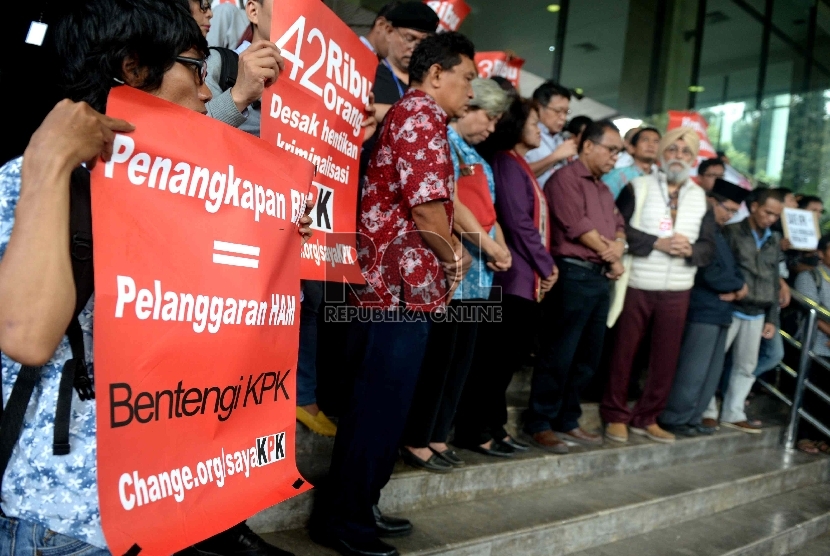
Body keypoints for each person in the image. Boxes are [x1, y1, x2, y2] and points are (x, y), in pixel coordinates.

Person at [0, 1, 307, 554]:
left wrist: (272, 238)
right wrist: (47, 161)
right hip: (67, 518)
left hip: (160, 501)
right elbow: (27, 336)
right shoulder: (37, 179)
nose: (209, 91)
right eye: (197, 68)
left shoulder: (177, 192)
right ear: (135, 68)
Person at [310, 32, 476, 556]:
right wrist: (453, 259)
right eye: (467, 77)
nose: (472, 90)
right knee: (376, 412)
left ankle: (359, 508)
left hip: (396, 291)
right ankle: (346, 523)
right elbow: (428, 210)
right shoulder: (422, 116)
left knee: (382, 410)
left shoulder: (416, 117)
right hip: (394, 294)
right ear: (435, 74)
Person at [401, 78, 511, 473]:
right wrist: (493, 246)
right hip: (454, 272)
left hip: (480, 279)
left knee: (460, 363)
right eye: (489, 116)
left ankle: (437, 434)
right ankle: (418, 437)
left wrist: (498, 248)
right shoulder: (444, 140)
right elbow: (453, 205)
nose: (491, 127)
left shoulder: (476, 154)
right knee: (439, 362)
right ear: (470, 105)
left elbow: (487, 210)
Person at [453, 98, 558, 457]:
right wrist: (547, 265)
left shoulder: (519, 164)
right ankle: (476, 430)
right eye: (533, 123)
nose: (539, 130)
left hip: (523, 278)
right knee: (493, 364)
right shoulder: (506, 163)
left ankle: (493, 427)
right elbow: (517, 222)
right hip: (510, 278)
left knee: (503, 364)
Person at [602, 127, 711, 444]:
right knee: (624, 353)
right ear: (663, 155)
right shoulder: (639, 186)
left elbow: (708, 246)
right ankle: (615, 415)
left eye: (685, 152)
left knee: (665, 358)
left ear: (693, 159)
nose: (678, 157)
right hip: (638, 283)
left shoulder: (700, 196)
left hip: (678, 289)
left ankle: (647, 417)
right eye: (672, 150)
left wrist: (690, 249)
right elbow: (618, 229)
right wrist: (657, 243)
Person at [523, 120, 626, 453]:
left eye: (619, 152)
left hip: (599, 278)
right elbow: (577, 226)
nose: (615, 157)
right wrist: (610, 253)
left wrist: (618, 247)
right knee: (559, 353)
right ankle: (540, 421)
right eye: (611, 149)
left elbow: (619, 225)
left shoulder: (604, 187)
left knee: (588, 358)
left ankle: (568, 418)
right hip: (572, 274)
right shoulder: (565, 179)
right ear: (587, 146)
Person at [659, 179, 749, 436]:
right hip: (702, 308)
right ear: (712, 201)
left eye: (734, 212)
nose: (729, 215)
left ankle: (693, 417)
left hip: (720, 311)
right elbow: (708, 272)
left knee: (710, 372)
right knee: (693, 369)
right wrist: (737, 287)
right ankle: (676, 417)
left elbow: (732, 269)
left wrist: (738, 286)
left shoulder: (718, 231)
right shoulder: (698, 226)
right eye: (727, 209)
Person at [702, 188, 784, 432]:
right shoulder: (732, 232)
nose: (771, 218)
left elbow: (773, 278)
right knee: (713, 362)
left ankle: (733, 412)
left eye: (776, 215)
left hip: (758, 311)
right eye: (768, 212)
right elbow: (724, 267)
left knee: (746, 367)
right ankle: (706, 410)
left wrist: (772, 318)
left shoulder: (774, 239)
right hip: (731, 306)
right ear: (754, 206)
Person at [793, 233, 830, 455]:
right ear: (821, 253)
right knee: (812, 391)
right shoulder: (810, 277)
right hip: (815, 345)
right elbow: (812, 312)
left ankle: (824, 437)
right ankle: (804, 436)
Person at [372, 2, 439, 122]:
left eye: (423, 42)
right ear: (389, 31)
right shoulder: (369, 73)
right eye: (410, 38)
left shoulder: (429, 85)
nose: (415, 48)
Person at [524, 81, 576, 187]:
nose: (563, 117)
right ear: (539, 107)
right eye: (558, 111)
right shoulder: (526, 134)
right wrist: (555, 156)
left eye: (566, 112)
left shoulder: (561, 139)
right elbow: (518, 172)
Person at [601, 126, 661, 199]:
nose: (651, 145)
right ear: (632, 148)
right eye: (645, 140)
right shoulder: (618, 176)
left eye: (656, 141)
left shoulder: (661, 179)